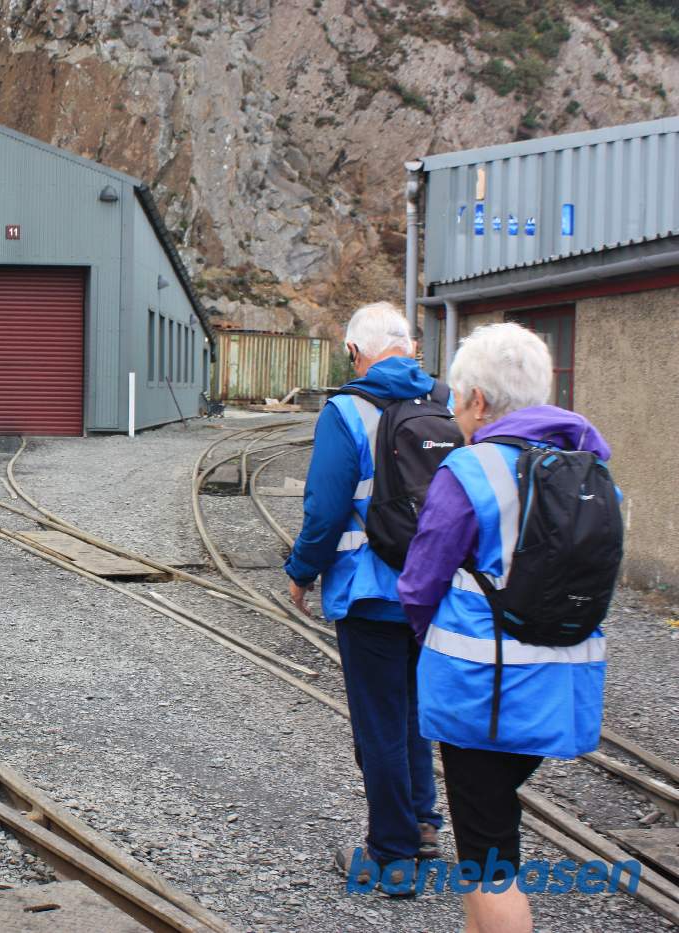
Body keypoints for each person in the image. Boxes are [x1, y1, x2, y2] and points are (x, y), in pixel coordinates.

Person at [399, 323, 611, 933]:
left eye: (460, 399)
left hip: (481, 693)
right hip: (561, 687)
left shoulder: (470, 472)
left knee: (488, 860)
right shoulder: (591, 471)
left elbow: (420, 582)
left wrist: (430, 645)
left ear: (479, 402)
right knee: (492, 830)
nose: (457, 413)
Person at [282, 301, 442, 888]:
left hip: (371, 591)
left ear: (355, 352)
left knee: (377, 724)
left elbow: (324, 510)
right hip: (431, 589)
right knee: (414, 712)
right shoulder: (441, 401)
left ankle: (392, 853)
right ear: (408, 346)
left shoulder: (346, 409)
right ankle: (423, 823)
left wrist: (301, 570)